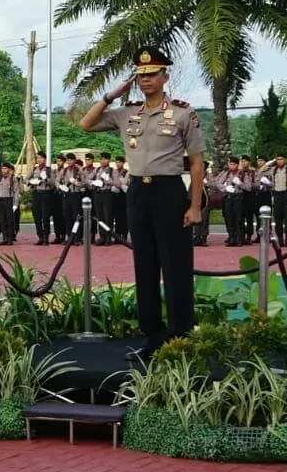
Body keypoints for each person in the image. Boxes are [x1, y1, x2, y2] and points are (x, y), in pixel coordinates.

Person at [79, 47, 205, 360]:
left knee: (176, 267)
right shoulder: (126, 113)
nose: (146, 80)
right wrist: (111, 95)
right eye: (141, 75)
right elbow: (86, 124)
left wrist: (194, 205)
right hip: (137, 192)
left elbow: (198, 162)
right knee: (144, 266)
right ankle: (153, 337)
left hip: (169, 192)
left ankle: (181, 336)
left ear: (165, 76)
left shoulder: (182, 113)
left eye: (152, 74)